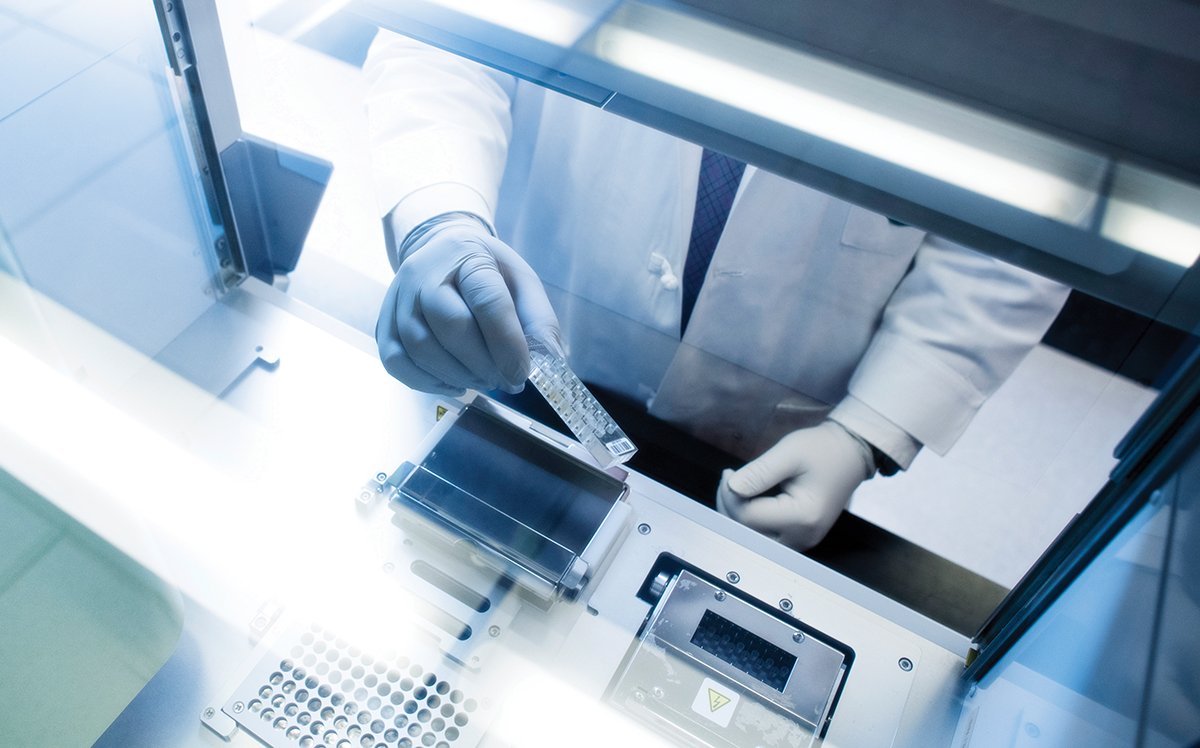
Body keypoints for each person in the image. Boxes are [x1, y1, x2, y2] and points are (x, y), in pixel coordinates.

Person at [363, 31, 1070, 551]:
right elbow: (444, 40)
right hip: (523, 347)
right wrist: (440, 217)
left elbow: (1032, 219)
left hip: (763, 431)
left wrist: (868, 429)